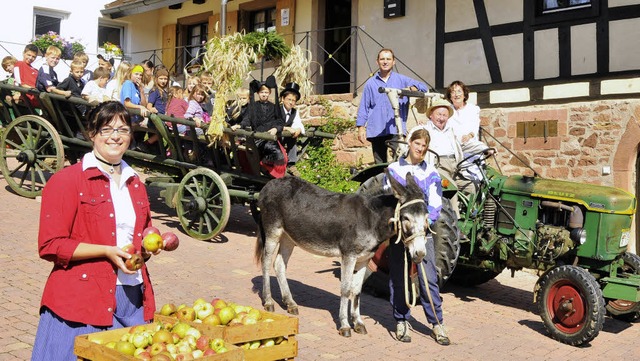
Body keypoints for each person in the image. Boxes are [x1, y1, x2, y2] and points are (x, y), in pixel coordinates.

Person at [31, 101, 157, 361]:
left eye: (122, 130)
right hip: (81, 301)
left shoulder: (136, 183)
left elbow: (142, 230)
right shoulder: (68, 180)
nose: (115, 136)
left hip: (131, 295)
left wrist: (150, 242)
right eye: (106, 129)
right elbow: (51, 245)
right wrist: (106, 251)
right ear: (92, 134)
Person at [384, 128, 450, 346]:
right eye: (417, 144)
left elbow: (436, 202)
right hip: (401, 233)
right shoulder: (394, 169)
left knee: (429, 278)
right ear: (409, 143)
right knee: (399, 278)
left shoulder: (430, 172)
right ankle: (401, 320)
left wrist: (425, 223)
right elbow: (389, 196)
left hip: (422, 233)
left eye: (424, 146)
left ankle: (437, 323)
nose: (420, 149)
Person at [421, 98, 491, 217]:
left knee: (471, 185)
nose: (441, 118)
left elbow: (467, 143)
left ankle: (469, 218)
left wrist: (485, 149)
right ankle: (456, 225)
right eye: (439, 114)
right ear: (431, 115)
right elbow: (411, 144)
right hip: (437, 166)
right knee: (451, 189)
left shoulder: (452, 130)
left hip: (455, 165)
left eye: (444, 115)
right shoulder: (423, 130)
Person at [356, 48, 427, 164]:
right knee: (380, 164)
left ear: (394, 62)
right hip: (377, 128)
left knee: (400, 160)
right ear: (377, 62)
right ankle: (382, 182)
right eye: (382, 59)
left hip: (396, 128)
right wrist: (361, 128)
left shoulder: (402, 80)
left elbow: (423, 87)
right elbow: (364, 106)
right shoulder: (370, 83)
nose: (385, 62)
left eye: (388, 59)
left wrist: (410, 89)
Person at [232, 78, 285, 167]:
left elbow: (279, 121)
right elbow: (248, 119)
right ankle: (263, 167)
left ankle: (267, 169)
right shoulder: (254, 106)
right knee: (270, 149)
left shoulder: (273, 107)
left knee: (277, 153)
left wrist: (276, 128)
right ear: (258, 93)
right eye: (262, 92)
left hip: (269, 137)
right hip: (257, 137)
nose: (264, 94)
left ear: (269, 93)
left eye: (266, 92)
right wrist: (239, 125)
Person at [279, 82, 305, 176]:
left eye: (293, 100)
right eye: (289, 99)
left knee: (292, 138)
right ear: (283, 99)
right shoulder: (277, 109)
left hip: (285, 138)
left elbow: (298, 123)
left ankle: (291, 164)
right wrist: (286, 128)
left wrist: (298, 129)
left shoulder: (294, 112)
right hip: (275, 137)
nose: (291, 102)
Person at [446, 80, 480, 145]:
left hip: (470, 144)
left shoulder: (473, 109)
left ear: (464, 95)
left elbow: (475, 127)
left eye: (459, 91)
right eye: (453, 92)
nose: (456, 95)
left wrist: (469, 136)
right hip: (453, 146)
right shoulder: (447, 110)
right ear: (450, 97)